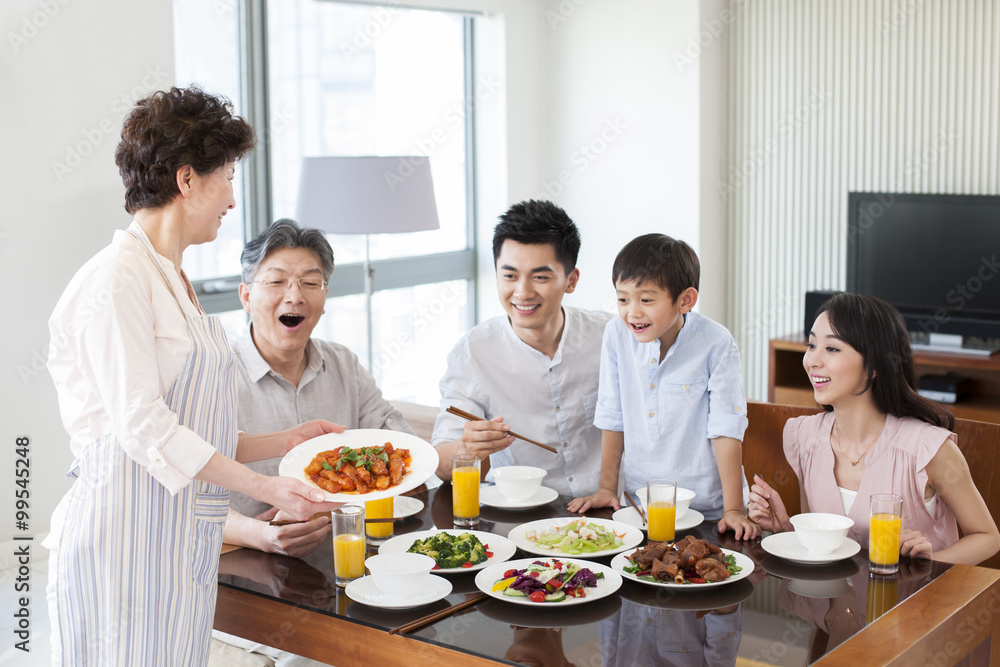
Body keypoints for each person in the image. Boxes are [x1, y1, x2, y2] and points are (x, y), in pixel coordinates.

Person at [44, 87, 341, 666]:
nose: (232, 197)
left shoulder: (173, 278)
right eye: (227, 176)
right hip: (120, 547)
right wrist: (266, 486)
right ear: (187, 180)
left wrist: (284, 443)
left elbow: (191, 433)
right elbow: (147, 432)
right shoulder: (116, 281)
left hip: (177, 543)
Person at [748, 293, 1000, 564]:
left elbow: (987, 536)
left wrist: (932, 561)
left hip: (915, 603)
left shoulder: (929, 449)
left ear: (875, 365)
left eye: (832, 349)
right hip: (833, 602)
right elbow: (824, 542)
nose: (811, 360)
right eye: (811, 345)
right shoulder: (803, 437)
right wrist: (785, 527)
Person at [223, 219, 414, 557]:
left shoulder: (343, 364)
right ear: (247, 296)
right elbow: (187, 491)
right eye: (277, 281)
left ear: (325, 297)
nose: (294, 296)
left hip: (345, 546)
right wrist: (262, 534)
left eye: (310, 282)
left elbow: (396, 441)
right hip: (246, 558)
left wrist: (329, 506)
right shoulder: (216, 375)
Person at [569, 233, 760, 540]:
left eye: (646, 300)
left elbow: (726, 428)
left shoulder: (717, 342)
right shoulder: (616, 335)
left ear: (685, 300)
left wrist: (734, 509)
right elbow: (612, 415)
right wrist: (606, 488)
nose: (632, 312)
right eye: (622, 299)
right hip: (642, 507)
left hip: (710, 511)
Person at [431, 200, 612, 497]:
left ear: (571, 280)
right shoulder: (473, 354)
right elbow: (440, 464)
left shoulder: (611, 338)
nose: (523, 292)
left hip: (606, 510)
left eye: (540, 277)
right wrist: (467, 448)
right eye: (510, 275)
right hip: (519, 516)